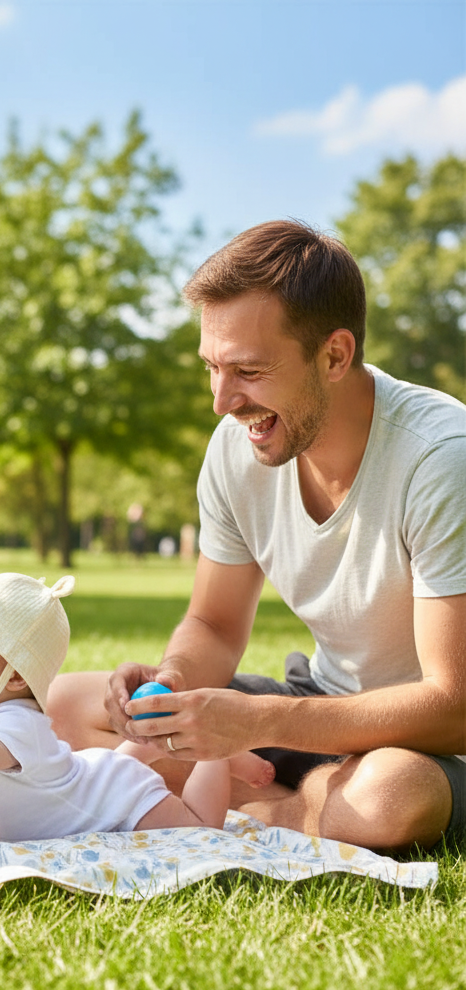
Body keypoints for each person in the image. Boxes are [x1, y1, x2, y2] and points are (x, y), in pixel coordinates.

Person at [47, 220, 466, 852]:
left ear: (334, 355)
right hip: (322, 703)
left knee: (388, 795)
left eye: (247, 369)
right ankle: (300, 801)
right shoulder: (239, 448)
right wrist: (174, 682)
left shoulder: (440, 461)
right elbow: (214, 625)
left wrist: (255, 721)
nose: (221, 400)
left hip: (434, 741)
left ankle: (253, 808)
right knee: (63, 703)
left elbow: (452, 705)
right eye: (212, 367)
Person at [0, 573, 273, 842]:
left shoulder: (16, 724)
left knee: (198, 827)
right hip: (96, 773)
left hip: (112, 796)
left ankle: (217, 751)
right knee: (116, 763)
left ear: (14, 676)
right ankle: (159, 737)